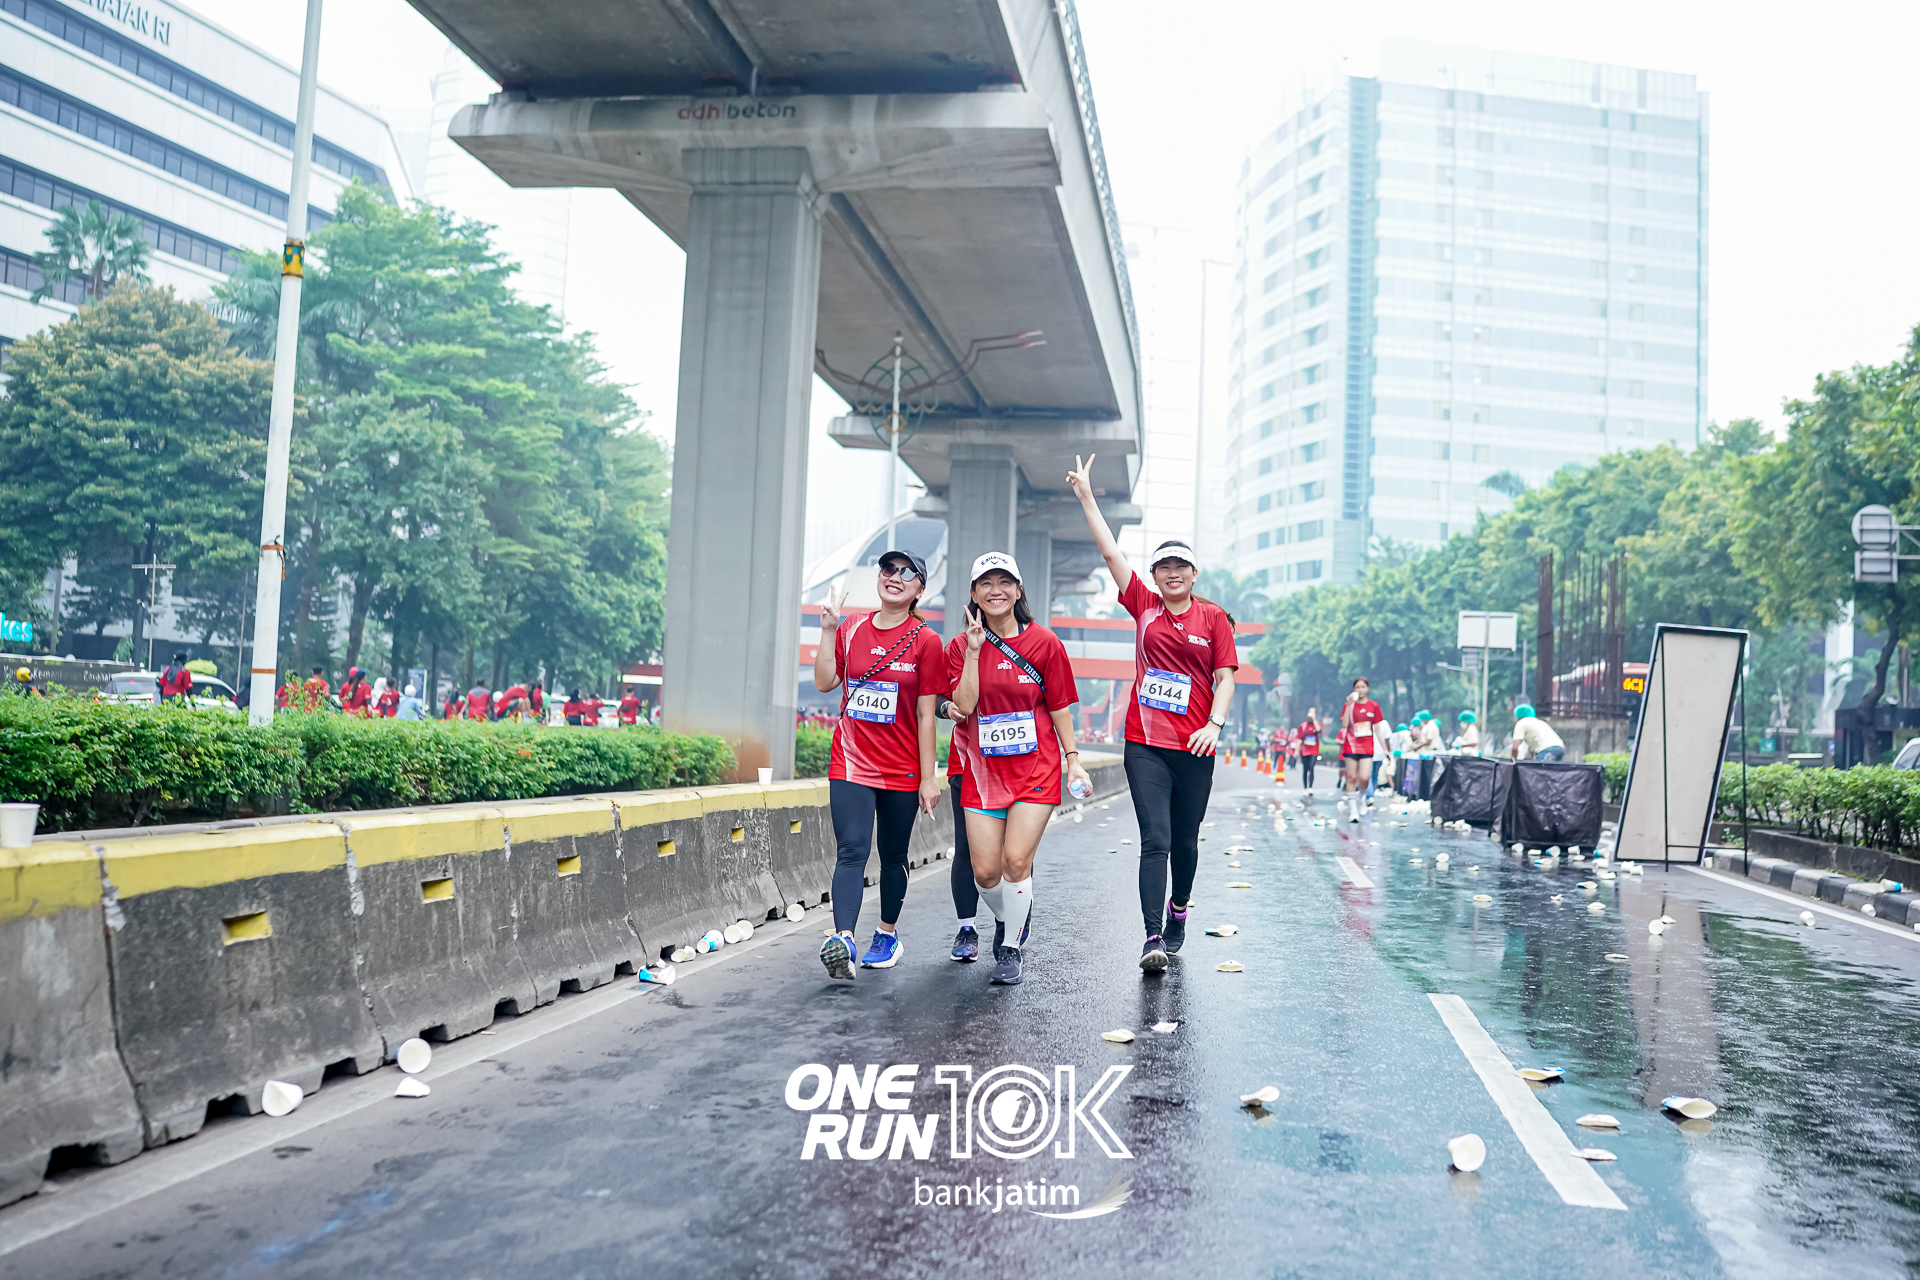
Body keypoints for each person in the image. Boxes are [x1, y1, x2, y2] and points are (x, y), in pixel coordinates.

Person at [1067, 456, 1237, 972]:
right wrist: (1088, 498)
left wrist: (1214, 725)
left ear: (1193, 574)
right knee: (1156, 839)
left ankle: (1178, 908)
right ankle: (1152, 937)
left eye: (1180, 566)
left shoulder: (1213, 619)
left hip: (1195, 747)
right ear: (1155, 576)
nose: (1172, 573)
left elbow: (1226, 679)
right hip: (1145, 744)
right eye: (1164, 567)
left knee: (1185, 841)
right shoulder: (1143, 604)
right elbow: (1110, 551)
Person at [946, 550, 1087, 987]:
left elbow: (1059, 707)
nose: (996, 591)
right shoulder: (959, 647)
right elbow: (963, 706)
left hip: (1036, 769)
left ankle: (1009, 947)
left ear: (1018, 590)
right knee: (986, 873)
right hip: (984, 774)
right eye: (986, 584)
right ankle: (1013, 915)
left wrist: (1073, 761)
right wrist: (974, 652)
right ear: (973, 594)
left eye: (1004, 582)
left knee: (1016, 860)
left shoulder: (1046, 643)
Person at [813, 549, 946, 980]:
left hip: (902, 766)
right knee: (851, 850)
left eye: (907, 573)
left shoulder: (926, 641)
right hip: (851, 760)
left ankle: (887, 934)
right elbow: (824, 681)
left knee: (893, 855)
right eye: (889, 569)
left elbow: (926, 714)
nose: (895, 577)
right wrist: (828, 630)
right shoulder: (851, 628)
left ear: (919, 590)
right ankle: (844, 941)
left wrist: (928, 778)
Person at [1338, 678, 1385, 823]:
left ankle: (1361, 797)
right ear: (1354, 689)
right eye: (1357, 687)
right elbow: (1345, 724)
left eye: (1363, 687)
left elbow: (1377, 729)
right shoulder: (1349, 705)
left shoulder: (1374, 706)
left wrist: (1385, 749)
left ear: (1367, 688)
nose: (1360, 690)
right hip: (1351, 745)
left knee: (1364, 777)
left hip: (1367, 746)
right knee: (1351, 777)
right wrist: (1349, 705)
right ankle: (1353, 809)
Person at [1297, 709, 1323, 794]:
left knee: (1311, 768)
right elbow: (1299, 738)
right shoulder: (1303, 725)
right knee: (1305, 769)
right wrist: (1297, 750)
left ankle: (1310, 787)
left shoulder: (1317, 724)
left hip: (1313, 751)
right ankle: (1305, 788)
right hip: (1304, 751)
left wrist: (1314, 719)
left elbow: (1319, 730)